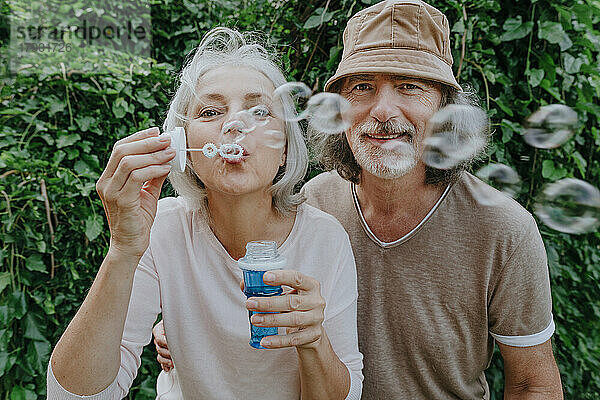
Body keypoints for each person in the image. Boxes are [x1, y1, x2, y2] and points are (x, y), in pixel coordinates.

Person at [152, 1, 564, 399]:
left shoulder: (503, 229)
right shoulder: (312, 204)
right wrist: (185, 329)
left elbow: (534, 385)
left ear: (446, 110)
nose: (383, 110)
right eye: (363, 87)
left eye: (410, 87)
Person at [47, 27, 363, 400]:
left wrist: (314, 341)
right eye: (211, 111)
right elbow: (74, 396)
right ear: (184, 149)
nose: (235, 125)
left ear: (284, 151)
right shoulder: (162, 230)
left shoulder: (325, 239)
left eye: (259, 111)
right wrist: (123, 250)